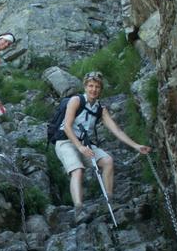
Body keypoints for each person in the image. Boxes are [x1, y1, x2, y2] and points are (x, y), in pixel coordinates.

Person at [55, 71, 151, 222]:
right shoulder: (76, 100)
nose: (94, 89)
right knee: (77, 169)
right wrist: (80, 147)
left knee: (107, 161)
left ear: (101, 89)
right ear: (85, 87)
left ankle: (109, 201)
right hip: (65, 141)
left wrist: (136, 146)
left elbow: (116, 130)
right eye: (91, 86)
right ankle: (79, 209)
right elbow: (67, 126)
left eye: (97, 87)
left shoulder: (100, 109)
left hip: (85, 143)